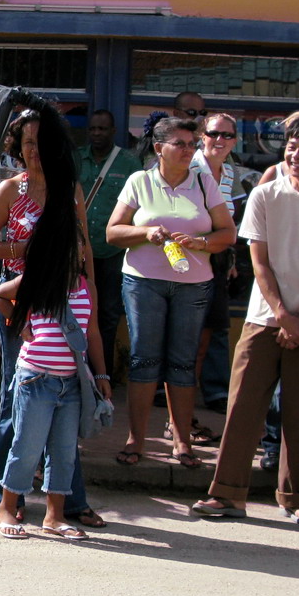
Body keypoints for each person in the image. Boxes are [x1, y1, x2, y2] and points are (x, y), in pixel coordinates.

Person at [192, 115, 299, 522]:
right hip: (264, 320)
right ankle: (227, 494)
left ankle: (296, 499)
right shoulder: (266, 195)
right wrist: (285, 316)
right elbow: (259, 263)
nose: (295, 155)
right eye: (291, 146)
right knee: (243, 407)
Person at [0, 107, 104, 527]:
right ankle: (6, 498)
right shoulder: (11, 189)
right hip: (17, 301)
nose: (34, 150)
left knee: (69, 397)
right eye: (27, 141)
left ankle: (70, 503)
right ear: (17, 145)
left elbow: (84, 253)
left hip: (68, 301)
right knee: (18, 399)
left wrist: (93, 301)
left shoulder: (70, 191)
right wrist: (25, 252)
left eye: (41, 142)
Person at [105, 116, 237, 467]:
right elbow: (112, 233)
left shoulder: (204, 182)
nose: (188, 149)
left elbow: (228, 234)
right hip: (143, 282)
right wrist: (144, 232)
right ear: (158, 147)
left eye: (191, 144)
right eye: (179, 143)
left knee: (182, 362)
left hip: (193, 284)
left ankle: (182, 442)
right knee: (144, 360)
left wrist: (201, 242)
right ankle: (136, 440)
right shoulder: (139, 181)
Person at [0, 196, 112, 540]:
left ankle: (55, 516)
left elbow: (92, 332)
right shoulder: (40, 278)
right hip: (36, 378)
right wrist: (19, 324)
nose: (70, 252)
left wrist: (101, 376)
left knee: (63, 451)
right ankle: (7, 506)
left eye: (75, 246)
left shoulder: (86, 286)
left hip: (72, 382)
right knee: (26, 447)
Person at [192, 113, 257, 419]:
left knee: (215, 329)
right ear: (202, 135)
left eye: (228, 135)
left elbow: (230, 224)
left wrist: (228, 259)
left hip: (217, 261)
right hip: (185, 262)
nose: (221, 141)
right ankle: (170, 396)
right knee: (186, 333)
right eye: (214, 134)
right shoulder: (188, 168)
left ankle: (215, 391)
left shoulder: (230, 173)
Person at [78, 108, 140, 376]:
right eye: (92, 129)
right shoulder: (76, 159)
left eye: (102, 129)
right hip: (79, 250)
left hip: (112, 251)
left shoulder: (128, 163)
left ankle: (103, 374)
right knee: (77, 309)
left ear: (113, 131)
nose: (96, 133)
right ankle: (75, 370)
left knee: (108, 314)